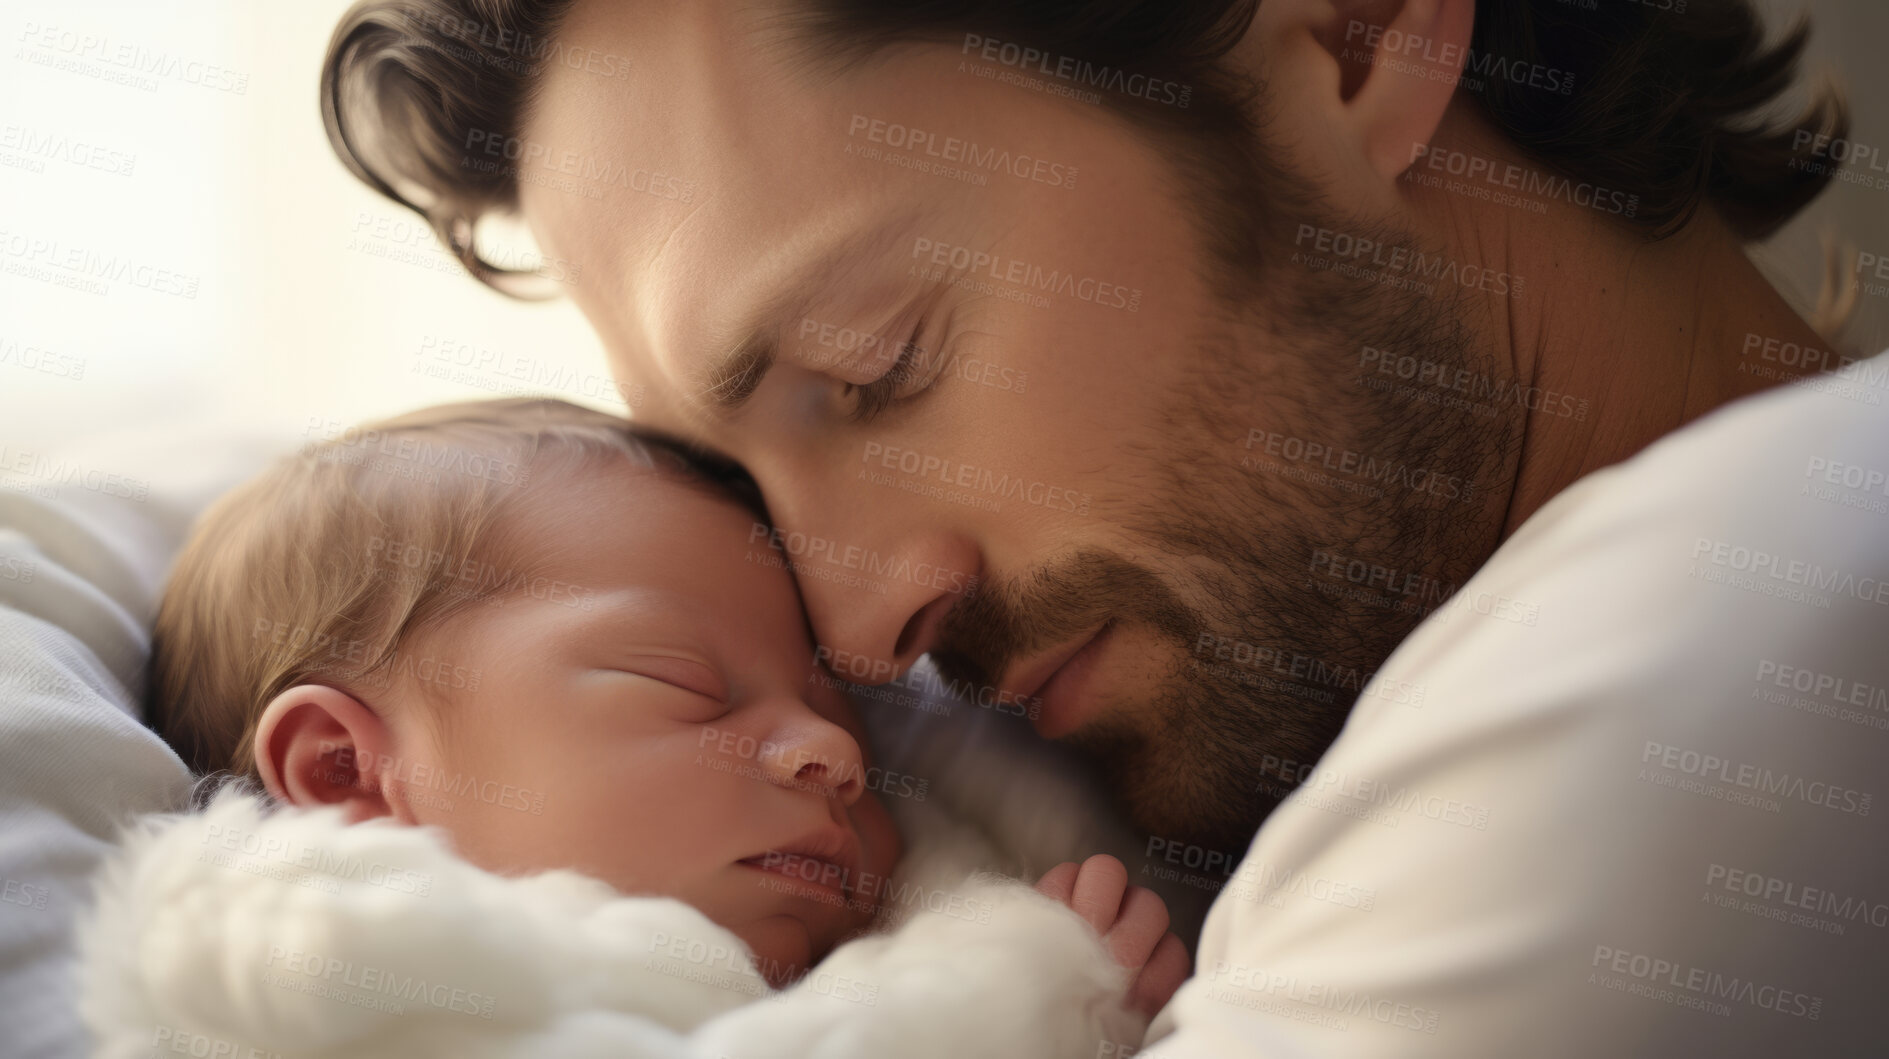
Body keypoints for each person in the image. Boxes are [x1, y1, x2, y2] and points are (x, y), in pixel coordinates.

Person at [321, 2, 1889, 1053]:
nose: (853, 644)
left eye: (877, 368)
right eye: (740, 487)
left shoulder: (1717, 644)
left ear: (1354, 37)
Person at [78, 397, 1187, 1057]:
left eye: (837, 708)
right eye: (685, 688)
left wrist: (1065, 1001)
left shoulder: (900, 942)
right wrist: (1016, 1003)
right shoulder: (311, 989)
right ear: (341, 771)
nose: (840, 754)